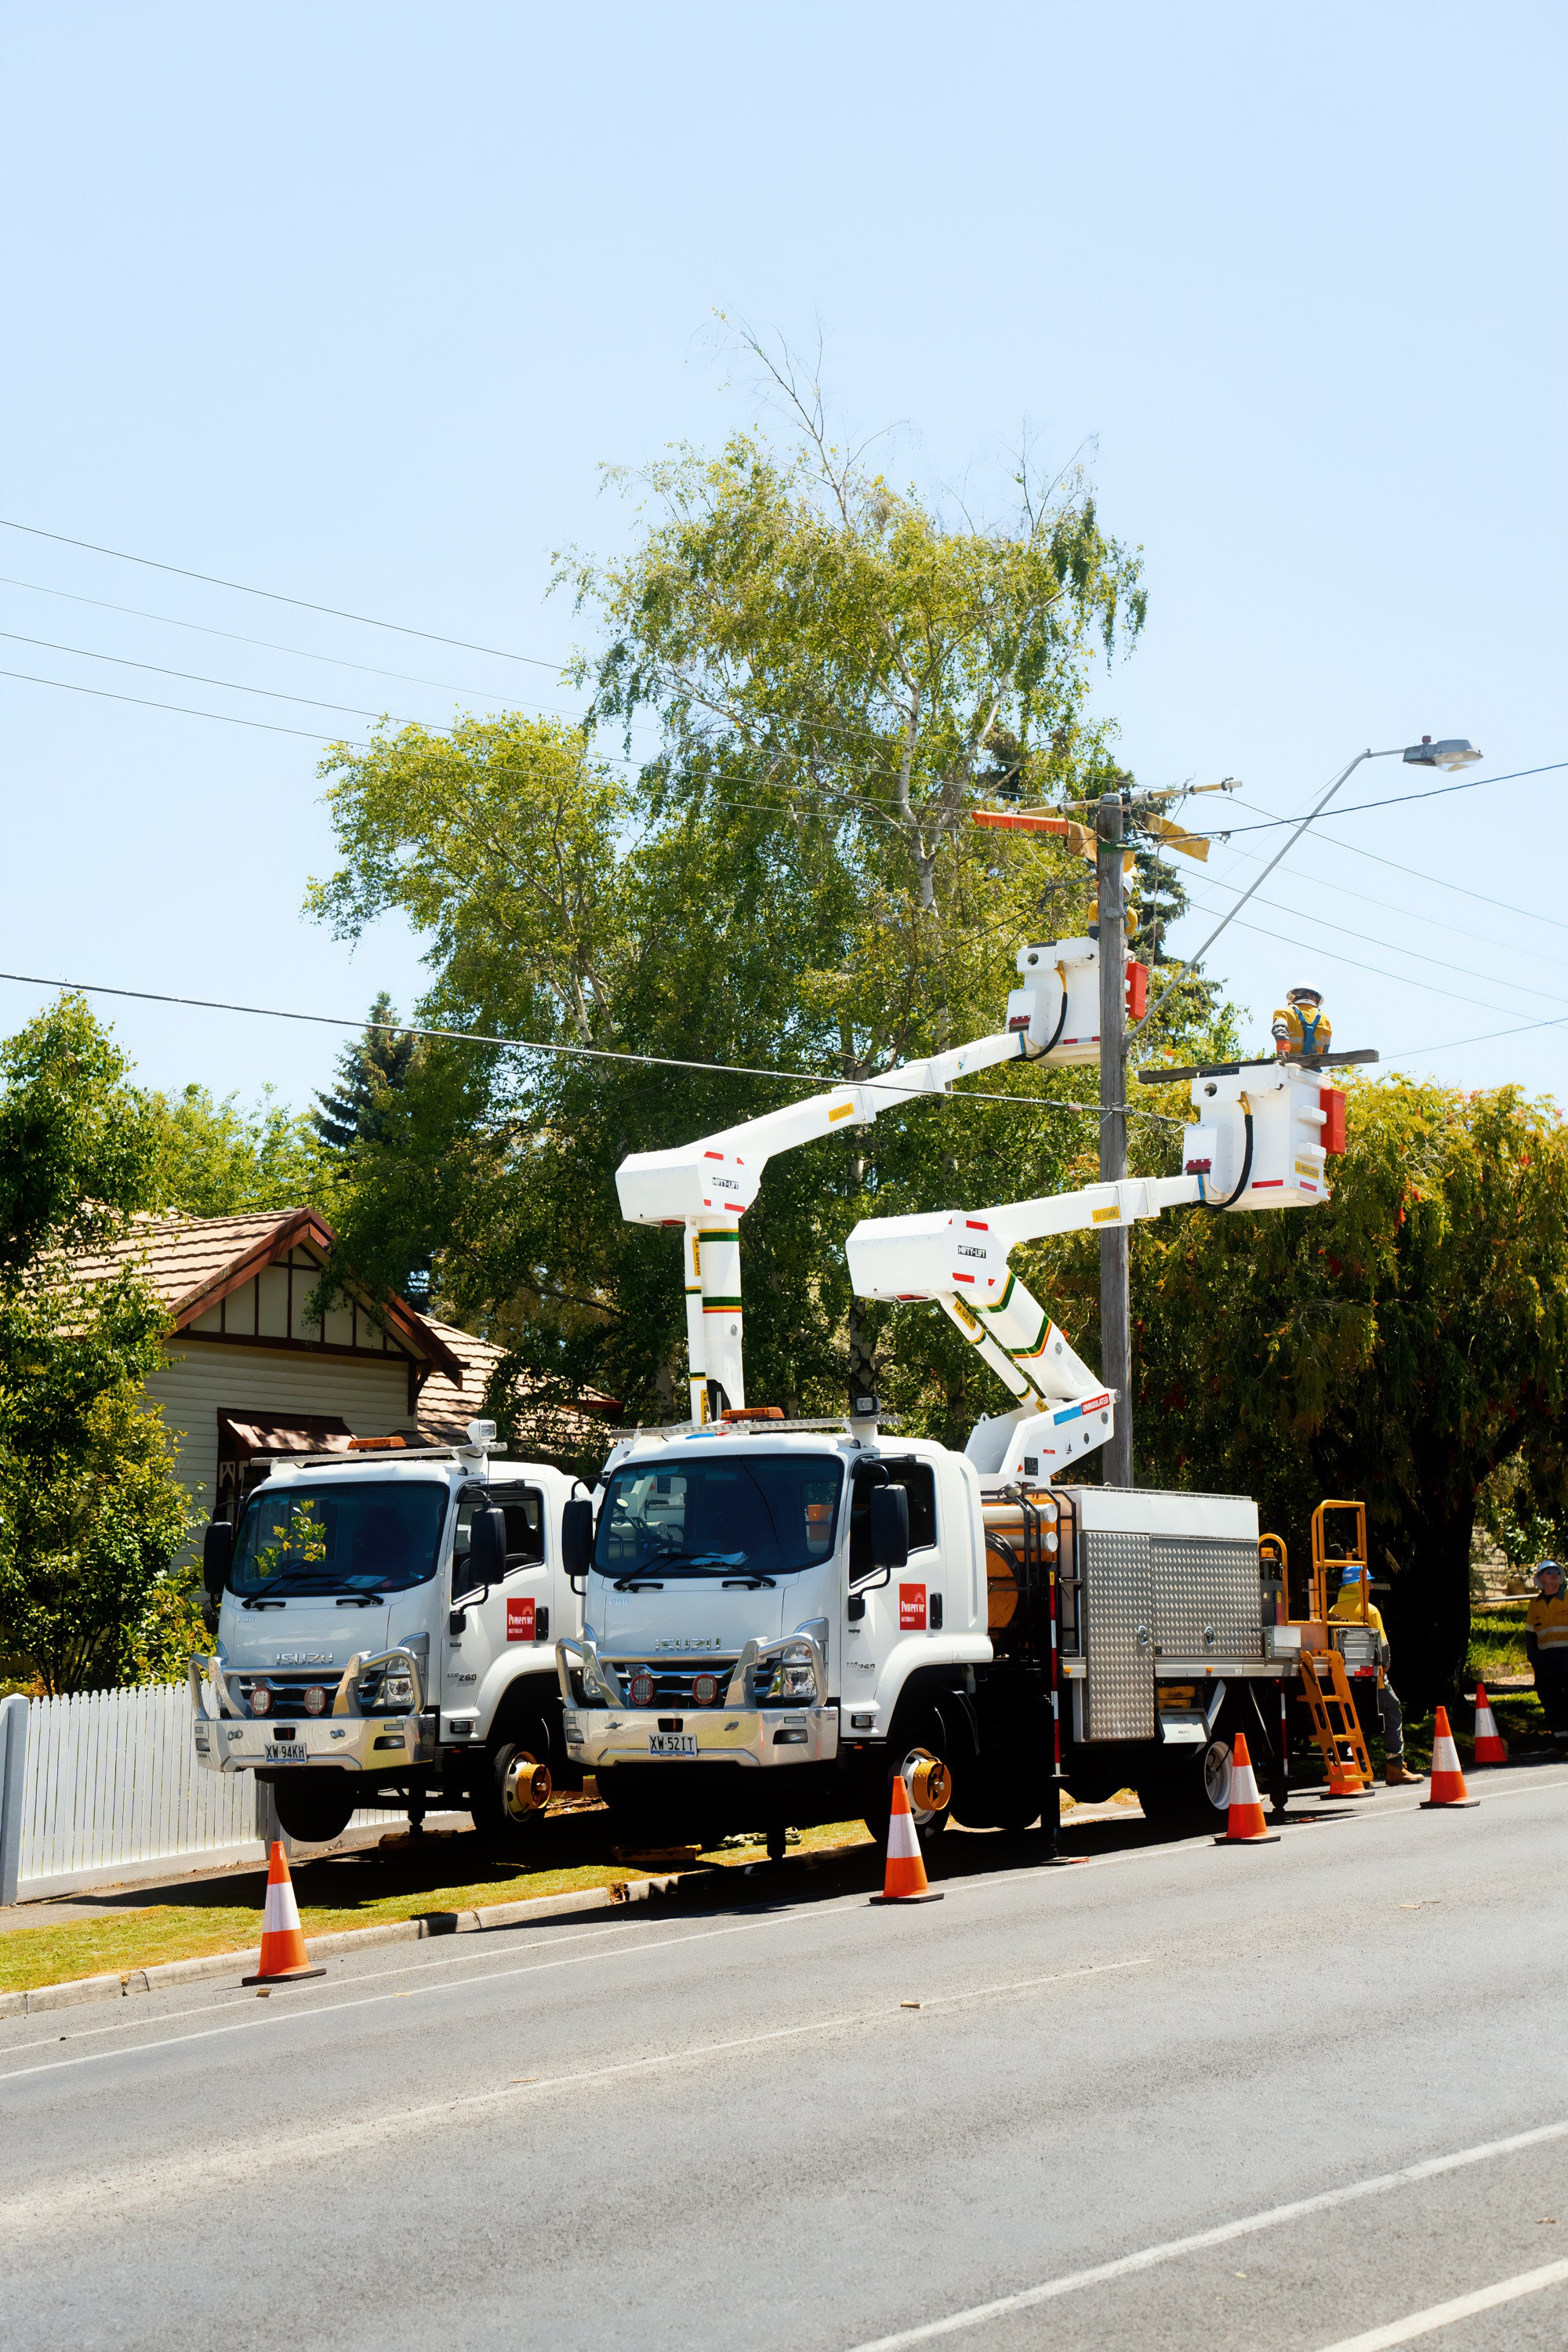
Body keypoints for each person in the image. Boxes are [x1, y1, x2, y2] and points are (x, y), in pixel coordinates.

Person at [1330, 1562, 1423, 1787]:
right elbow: (1384, 1651)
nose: (1370, 1587)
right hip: (1372, 1681)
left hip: (1340, 1681)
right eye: (1368, 1583)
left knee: (1350, 1720)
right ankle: (1395, 1767)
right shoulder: (1370, 1610)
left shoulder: (1332, 1611)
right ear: (1359, 1584)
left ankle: (1358, 1768)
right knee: (1392, 1711)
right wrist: (1385, 1667)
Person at [1526, 1561, 1568, 1754]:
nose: (1554, 1575)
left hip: (1566, 1656)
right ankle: (1561, 1741)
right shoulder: (1534, 1605)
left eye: (1557, 1572)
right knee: (1551, 1700)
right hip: (1546, 1661)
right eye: (1549, 1572)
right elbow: (1530, 1635)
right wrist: (1535, 1660)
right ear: (1541, 1578)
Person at [1272, 988, 1332, 1062]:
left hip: (1290, 1064)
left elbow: (1280, 1031)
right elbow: (1325, 1050)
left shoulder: (1284, 1012)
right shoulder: (1325, 1019)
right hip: (1314, 1068)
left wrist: (1283, 1054)